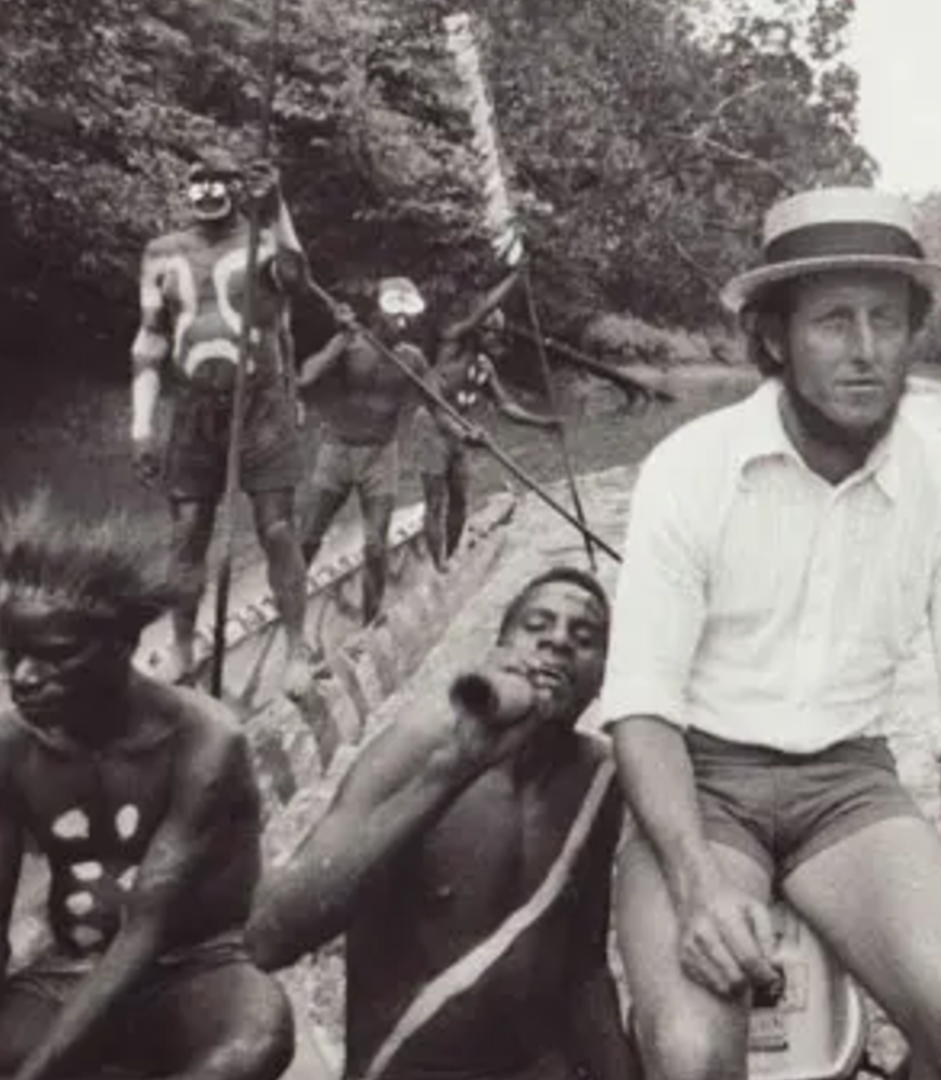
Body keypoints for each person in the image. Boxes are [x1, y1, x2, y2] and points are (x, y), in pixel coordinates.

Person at [602, 187, 941, 1080]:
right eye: (833, 321)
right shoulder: (690, 467)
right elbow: (639, 702)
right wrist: (695, 882)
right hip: (702, 780)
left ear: (915, 333)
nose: (866, 351)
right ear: (774, 337)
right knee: (688, 1053)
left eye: (888, 320)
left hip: (849, 785)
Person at [0, 494, 292, 1080]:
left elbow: (146, 934)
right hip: (68, 972)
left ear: (122, 645)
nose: (23, 679)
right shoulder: (2, 750)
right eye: (11, 655)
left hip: (191, 971)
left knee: (250, 1046)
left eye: (56, 657)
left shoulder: (206, 744)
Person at [247, 567, 633, 1080]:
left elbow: (584, 967)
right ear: (500, 650)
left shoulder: (600, 778)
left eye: (585, 638)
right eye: (538, 625)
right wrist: (450, 770)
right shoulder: (423, 745)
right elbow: (271, 936)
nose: (559, 640)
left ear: (603, 675)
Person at [128, 150, 327, 695]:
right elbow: (150, 341)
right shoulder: (161, 254)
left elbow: (298, 280)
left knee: (277, 528)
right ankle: (185, 646)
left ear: (237, 189)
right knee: (187, 531)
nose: (209, 191)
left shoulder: (262, 241)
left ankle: (295, 650)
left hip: (260, 404)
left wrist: (277, 203)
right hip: (193, 410)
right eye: (199, 182)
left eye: (221, 181)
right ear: (186, 190)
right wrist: (141, 425)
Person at [297, 277, 438, 624]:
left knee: (376, 545)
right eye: (396, 316)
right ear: (378, 312)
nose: (403, 324)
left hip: (380, 455)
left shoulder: (412, 359)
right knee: (308, 536)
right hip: (337, 451)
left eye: (408, 317)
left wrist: (467, 431)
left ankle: (371, 618)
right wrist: (342, 338)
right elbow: (306, 377)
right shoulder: (351, 344)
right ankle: (291, 612)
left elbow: (438, 402)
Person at [410, 269, 562, 571]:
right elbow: (480, 313)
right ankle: (437, 564)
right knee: (435, 500)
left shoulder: (484, 366)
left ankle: (449, 559)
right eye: (491, 332)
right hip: (432, 425)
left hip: (461, 432)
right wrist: (516, 277)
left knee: (461, 500)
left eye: (499, 333)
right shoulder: (452, 345)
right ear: (479, 331)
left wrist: (543, 423)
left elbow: (506, 407)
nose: (496, 338)